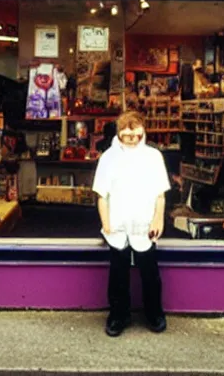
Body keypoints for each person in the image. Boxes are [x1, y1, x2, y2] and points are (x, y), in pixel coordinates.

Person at [92, 111, 171, 337]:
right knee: (118, 274)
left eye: (137, 131)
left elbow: (160, 194)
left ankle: (154, 313)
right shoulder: (108, 158)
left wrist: (158, 219)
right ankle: (118, 315)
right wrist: (106, 223)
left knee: (150, 273)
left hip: (145, 224)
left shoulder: (153, 156)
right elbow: (101, 195)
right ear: (119, 132)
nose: (133, 137)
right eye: (127, 131)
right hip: (117, 225)